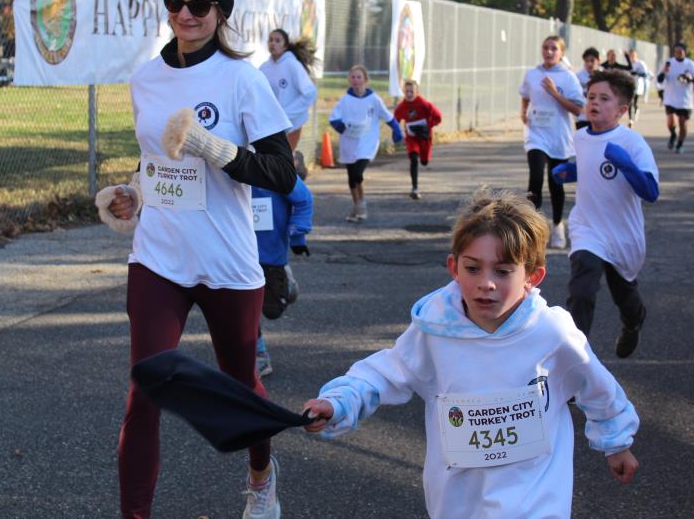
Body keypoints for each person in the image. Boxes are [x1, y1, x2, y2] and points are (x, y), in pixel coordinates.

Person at [95, 0, 296, 519]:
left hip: (226, 260)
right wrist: (132, 194)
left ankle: (261, 478)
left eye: (199, 6)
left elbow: (282, 172)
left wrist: (214, 148)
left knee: (241, 386)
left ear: (221, 13)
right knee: (145, 390)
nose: (185, 15)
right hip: (158, 256)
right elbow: (154, 164)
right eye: (176, 3)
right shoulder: (145, 79)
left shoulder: (242, 80)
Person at [301, 188, 640, 519]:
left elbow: (595, 385)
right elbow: (385, 373)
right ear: (454, 267)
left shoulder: (551, 332)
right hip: (458, 499)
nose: (486, 283)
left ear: (532, 276)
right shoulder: (434, 330)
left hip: (534, 497)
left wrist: (616, 441)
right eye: (473, 268)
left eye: (503, 271)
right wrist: (339, 402)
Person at [551, 71, 659, 359]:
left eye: (604, 98)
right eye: (590, 97)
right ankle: (576, 358)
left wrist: (627, 165)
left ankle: (634, 320)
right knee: (581, 289)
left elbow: (651, 191)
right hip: (587, 227)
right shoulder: (581, 137)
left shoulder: (632, 142)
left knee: (623, 293)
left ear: (622, 109)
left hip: (622, 233)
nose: (594, 103)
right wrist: (569, 171)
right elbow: (592, 167)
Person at [519, 35, 585, 249]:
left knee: (556, 182)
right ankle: (530, 230)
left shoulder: (568, 77)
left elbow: (578, 109)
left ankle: (557, 225)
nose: (549, 51)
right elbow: (525, 95)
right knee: (535, 178)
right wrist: (523, 111)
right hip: (536, 134)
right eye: (545, 47)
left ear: (561, 53)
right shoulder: (532, 74)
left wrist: (554, 93)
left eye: (554, 48)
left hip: (558, 137)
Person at [252, 176, 314, 377]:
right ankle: (259, 354)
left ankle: (286, 285)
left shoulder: (272, 166)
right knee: (242, 307)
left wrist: (297, 236)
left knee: (272, 311)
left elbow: (304, 199)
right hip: (235, 254)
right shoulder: (221, 165)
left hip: (270, 255)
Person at [329, 65, 403, 222]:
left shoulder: (374, 99)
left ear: (365, 80)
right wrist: (340, 126)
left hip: (367, 143)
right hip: (349, 142)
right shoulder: (345, 100)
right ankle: (357, 205)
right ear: (349, 80)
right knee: (351, 177)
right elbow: (334, 118)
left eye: (359, 77)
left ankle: (361, 205)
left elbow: (387, 116)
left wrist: (396, 129)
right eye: (353, 77)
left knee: (357, 173)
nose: (356, 80)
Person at [259, 29, 319, 178]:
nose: (273, 43)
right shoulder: (264, 68)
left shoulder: (292, 65)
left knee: (284, 162)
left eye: (277, 40)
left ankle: (297, 166)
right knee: (277, 162)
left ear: (285, 46)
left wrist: (287, 113)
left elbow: (310, 92)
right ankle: (296, 162)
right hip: (272, 125)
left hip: (292, 123)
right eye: (270, 40)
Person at [393, 78, 443, 199]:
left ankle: (424, 158)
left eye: (412, 91)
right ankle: (414, 188)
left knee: (424, 161)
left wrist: (428, 125)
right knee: (413, 158)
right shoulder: (402, 106)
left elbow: (438, 117)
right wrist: (395, 132)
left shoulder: (424, 104)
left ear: (417, 92)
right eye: (407, 91)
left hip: (424, 136)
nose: (409, 94)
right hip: (411, 137)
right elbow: (395, 120)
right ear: (403, 92)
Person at [657, 42, 694, 153]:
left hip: (685, 100)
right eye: (676, 51)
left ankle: (680, 144)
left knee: (682, 123)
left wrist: (689, 78)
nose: (678, 53)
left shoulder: (690, 64)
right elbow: (659, 79)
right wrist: (664, 72)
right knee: (670, 122)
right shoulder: (668, 63)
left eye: (680, 51)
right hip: (670, 98)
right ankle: (673, 134)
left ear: (685, 52)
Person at [574, 47, 600, 131]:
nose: (589, 64)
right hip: (583, 117)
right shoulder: (577, 77)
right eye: (587, 61)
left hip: (600, 116)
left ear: (598, 61)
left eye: (592, 61)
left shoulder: (604, 76)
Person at [626, 49, 652, 121]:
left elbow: (646, 74)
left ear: (636, 55)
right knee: (630, 101)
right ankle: (630, 119)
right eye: (630, 55)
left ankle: (636, 110)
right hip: (629, 84)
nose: (632, 57)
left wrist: (637, 73)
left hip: (638, 84)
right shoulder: (628, 64)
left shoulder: (640, 63)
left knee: (634, 102)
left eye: (633, 55)